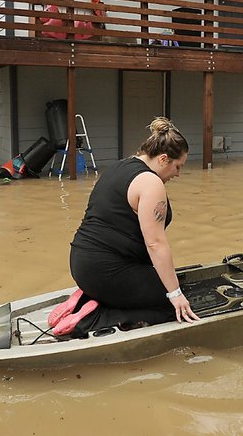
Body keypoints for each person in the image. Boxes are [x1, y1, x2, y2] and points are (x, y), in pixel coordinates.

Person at [48, 117, 201, 336]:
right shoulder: (151, 182)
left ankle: (85, 299)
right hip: (105, 272)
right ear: (164, 159)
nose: (178, 174)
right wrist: (175, 293)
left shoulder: (119, 166)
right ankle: (91, 318)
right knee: (174, 304)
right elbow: (155, 243)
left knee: (164, 283)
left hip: (82, 264)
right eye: (178, 167)